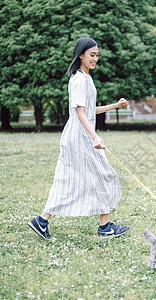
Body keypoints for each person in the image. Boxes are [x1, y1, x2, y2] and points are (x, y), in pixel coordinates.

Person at [28, 37, 129, 239]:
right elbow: (80, 114)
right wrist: (95, 136)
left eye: (97, 55)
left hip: (81, 134)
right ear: (80, 55)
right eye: (92, 55)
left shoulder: (85, 78)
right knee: (100, 176)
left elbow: (90, 110)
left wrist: (115, 106)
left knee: (75, 179)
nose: (95, 59)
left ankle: (43, 221)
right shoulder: (78, 80)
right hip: (79, 136)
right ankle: (105, 227)